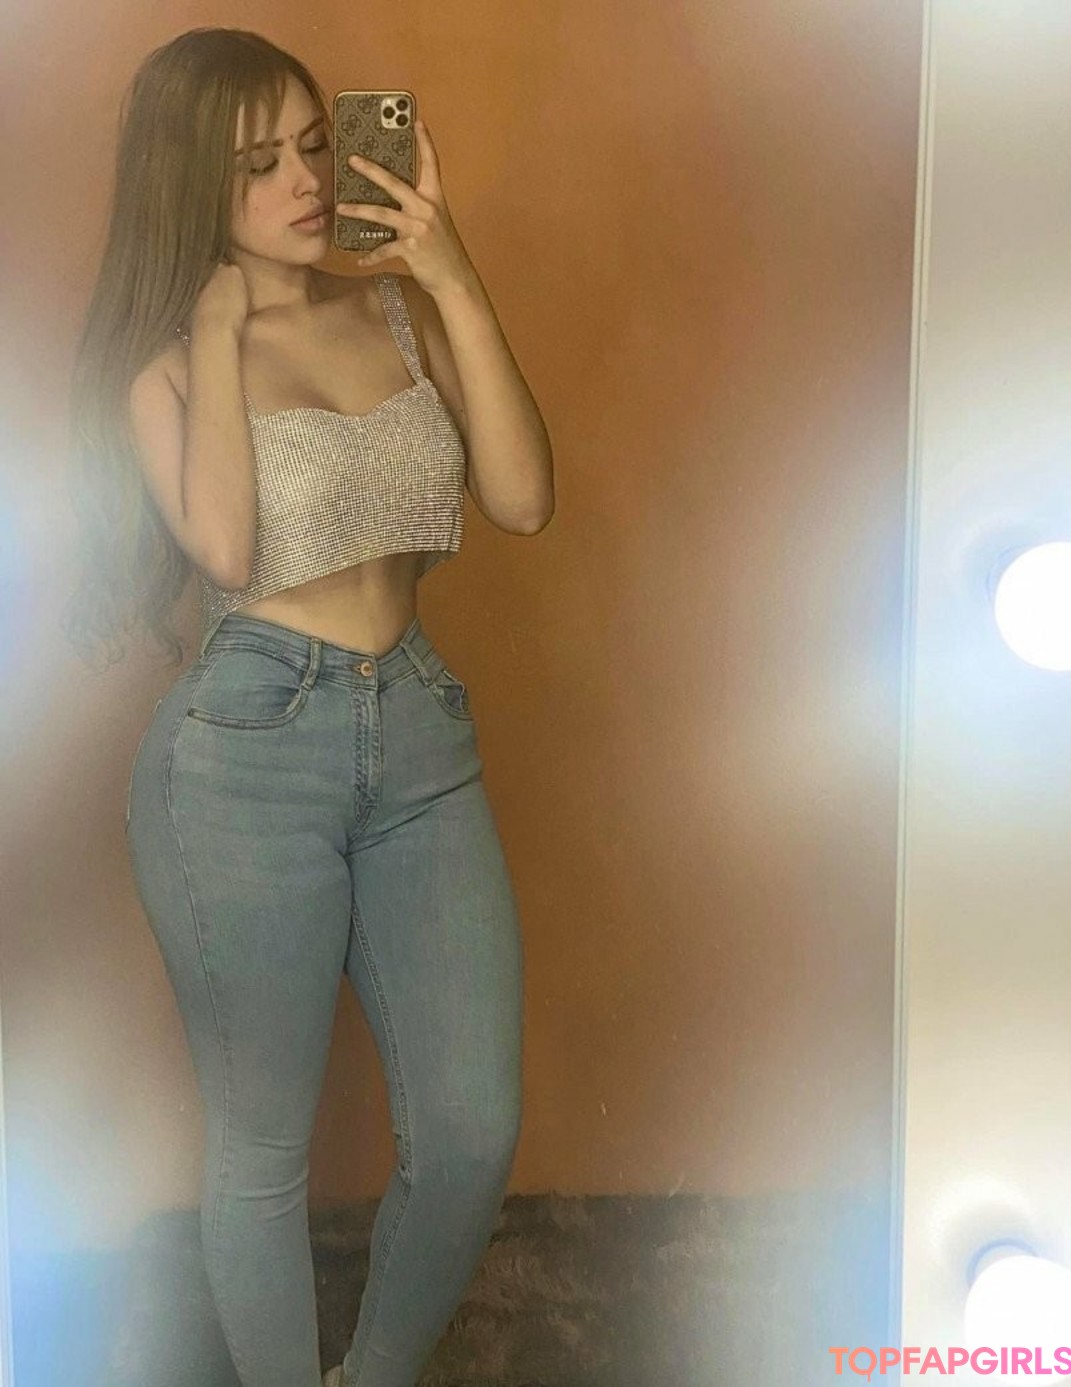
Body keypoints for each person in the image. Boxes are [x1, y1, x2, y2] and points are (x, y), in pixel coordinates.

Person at [62, 26, 554, 1387]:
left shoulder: (394, 310)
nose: (302, 181)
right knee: (261, 1149)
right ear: (190, 187)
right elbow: (227, 549)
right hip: (242, 759)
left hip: (420, 740)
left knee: (469, 1128)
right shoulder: (166, 366)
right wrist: (219, 329)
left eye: (313, 145)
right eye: (256, 164)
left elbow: (521, 498)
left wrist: (448, 271)